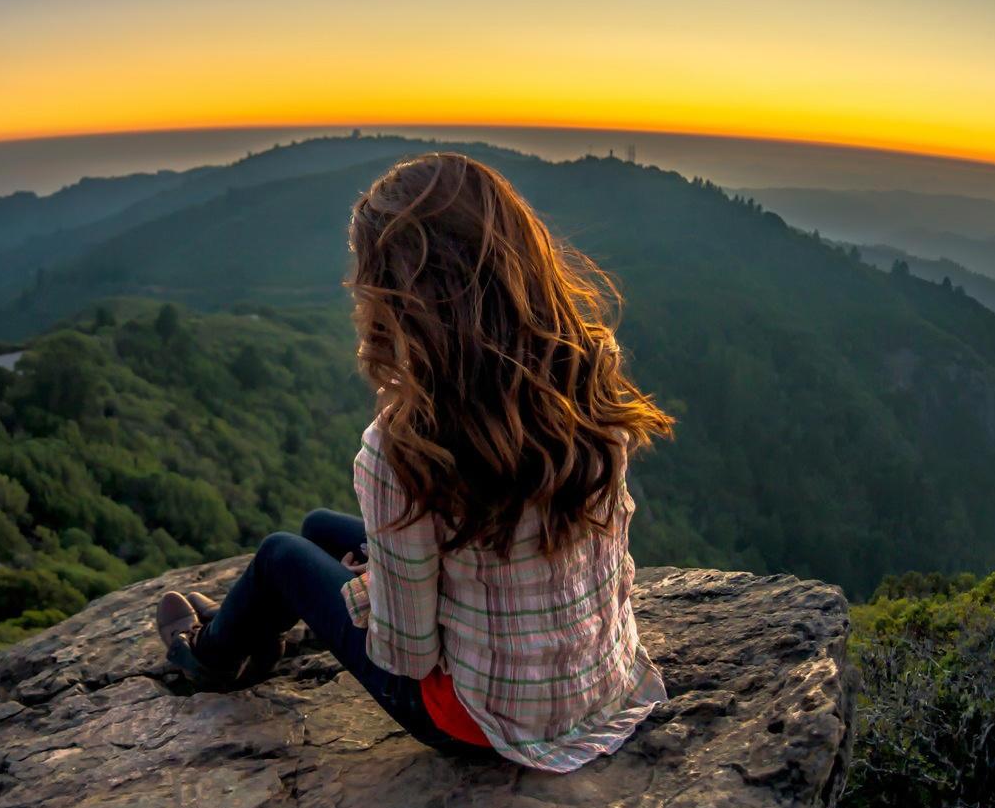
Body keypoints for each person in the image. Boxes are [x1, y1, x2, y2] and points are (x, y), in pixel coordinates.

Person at [156, 152, 674, 771]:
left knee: (280, 557)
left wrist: (374, 591)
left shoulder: (402, 449)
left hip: (481, 719)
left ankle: (211, 656)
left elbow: (405, 655)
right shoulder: (585, 375)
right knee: (322, 527)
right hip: (602, 686)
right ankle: (251, 625)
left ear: (394, 298)